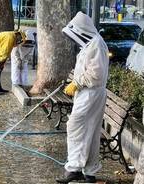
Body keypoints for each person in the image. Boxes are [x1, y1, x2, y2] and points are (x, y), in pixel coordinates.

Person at [56, 12, 109, 183]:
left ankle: (74, 168)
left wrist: (77, 83)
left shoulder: (96, 44)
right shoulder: (90, 44)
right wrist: (75, 83)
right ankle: (89, 171)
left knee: (75, 126)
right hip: (88, 92)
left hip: (91, 92)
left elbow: (96, 74)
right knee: (90, 131)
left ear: (81, 29)